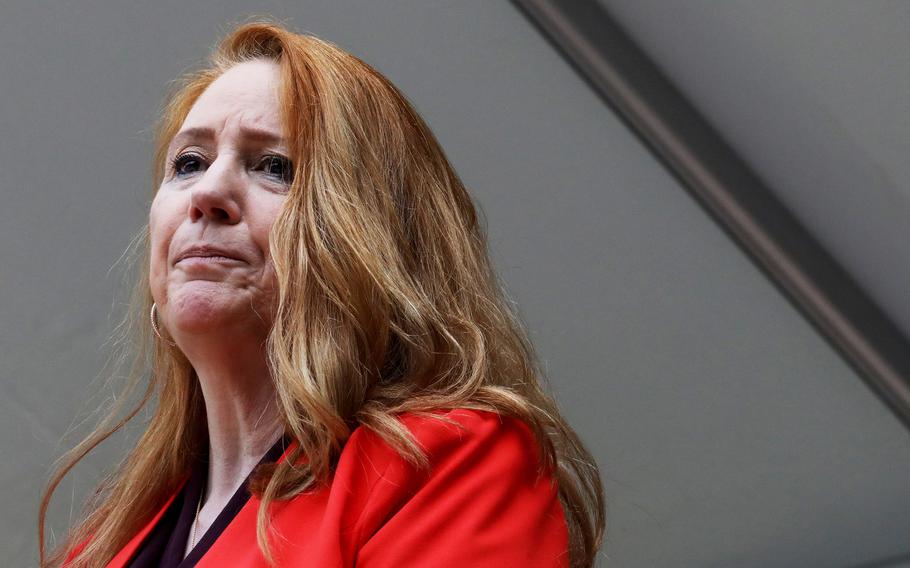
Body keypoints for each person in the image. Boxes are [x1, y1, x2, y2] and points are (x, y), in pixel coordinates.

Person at [39, 20, 605, 568]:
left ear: (374, 236)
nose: (209, 192)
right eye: (189, 162)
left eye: (275, 167)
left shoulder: (447, 461)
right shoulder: (102, 543)